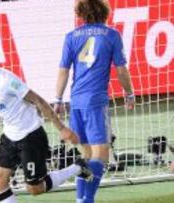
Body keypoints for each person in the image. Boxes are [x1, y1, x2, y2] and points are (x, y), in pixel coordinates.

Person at [0, 41, 93, 203]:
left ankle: (78, 167)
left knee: (34, 188)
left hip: (30, 137)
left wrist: (62, 128)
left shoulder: (7, 81)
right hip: (10, 137)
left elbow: (39, 101)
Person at [54, 1, 135, 202]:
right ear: (103, 11)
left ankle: (80, 199)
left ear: (81, 12)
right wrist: (130, 93)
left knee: (87, 156)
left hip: (76, 102)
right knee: (101, 156)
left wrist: (58, 99)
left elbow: (64, 70)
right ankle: (87, 200)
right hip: (96, 102)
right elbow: (121, 70)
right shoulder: (111, 35)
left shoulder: (71, 36)